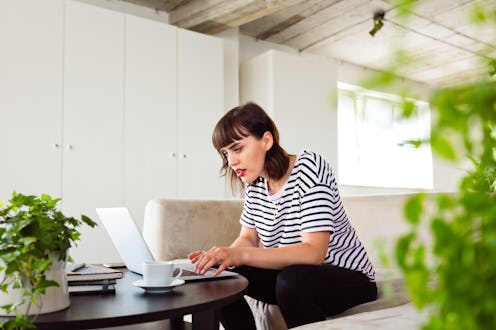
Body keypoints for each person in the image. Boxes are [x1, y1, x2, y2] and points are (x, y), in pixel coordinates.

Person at [188, 102, 377, 329]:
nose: (231, 161)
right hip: (291, 274)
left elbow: (314, 253)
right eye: (226, 153)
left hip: (348, 277)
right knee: (220, 277)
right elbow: (247, 238)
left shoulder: (310, 168)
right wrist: (226, 257)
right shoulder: (255, 185)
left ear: (266, 141)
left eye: (237, 149)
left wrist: (241, 255)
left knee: (292, 281)